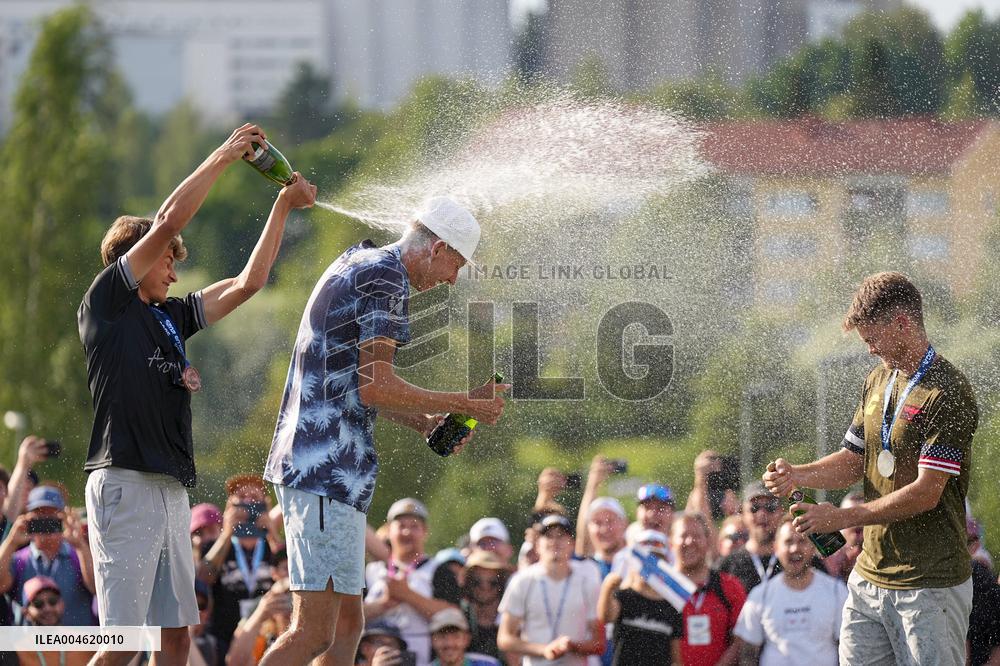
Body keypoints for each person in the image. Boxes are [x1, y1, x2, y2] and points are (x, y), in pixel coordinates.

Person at [77, 123, 316, 665]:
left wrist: (282, 205)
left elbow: (245, 285)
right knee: (124, 640)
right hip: (125, 483)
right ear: (138, 258)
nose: (173, 267)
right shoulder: (107, 304)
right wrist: (225, 156)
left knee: (176, 637)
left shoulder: (167, 317)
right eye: (167, 259)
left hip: (168, 488)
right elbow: (167, 222)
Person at [260, 196, 507, 666]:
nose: (452, 280)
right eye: (456, 265)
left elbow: (352, 380)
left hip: (325, 470)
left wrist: (423, 420)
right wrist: (462, 402)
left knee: (349, 625)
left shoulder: (360, 258)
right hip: (324, 472)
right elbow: (377, 385)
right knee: (312, 633)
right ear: (437, 248)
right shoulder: (388, 276)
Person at [763, 271, 978, 666]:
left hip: (928, 584)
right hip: (870, 577)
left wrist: (841, 516)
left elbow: (926, 493)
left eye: (872, 340)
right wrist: (799, 474)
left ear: (901, 323)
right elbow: (852, 461)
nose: (870, 351)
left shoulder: (947, 392)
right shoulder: (879, 379)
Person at [732, 521, 848, 665]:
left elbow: (847, 646)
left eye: (802, 541)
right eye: (788, 542)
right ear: (776, 548)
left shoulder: (836, 591)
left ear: (813, 547)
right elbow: (748, 654)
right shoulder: (761, 595)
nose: (794, 548)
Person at [363, 498, 463, 666]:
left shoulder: (439, 570)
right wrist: (384, 604)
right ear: (389, 531)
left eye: (414, 526)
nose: (407, 532)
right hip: (375, 654)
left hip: (424, 656)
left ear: (425, 532)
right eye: (401, 526)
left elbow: (454, 615)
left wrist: (408, 595)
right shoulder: (371, 570)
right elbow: (350, 615)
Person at [497, 514, 605, 665]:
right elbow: (504, 638)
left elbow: (599, 643)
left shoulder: (587, 580)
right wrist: (544, 650)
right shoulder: (522, 581)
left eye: (561, 536)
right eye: (548, 536)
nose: (555, 542)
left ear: (572, 544)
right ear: (537, 545)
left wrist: (572, 646)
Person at [198, 474, 280, 653]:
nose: (248, 503)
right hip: (222, 640)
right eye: (241, 498)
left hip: (267, 638)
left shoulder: (271, 547)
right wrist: (227, 532)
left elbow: (289, 574)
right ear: (230, 504)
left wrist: (272, 532)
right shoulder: (214, 546)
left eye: (255, 498)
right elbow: (202, 580)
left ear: (265, 504)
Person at [0, 486, 95, 626]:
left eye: (52, 516)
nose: (46, 522)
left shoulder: (79, 556)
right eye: (39, 517)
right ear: (28, 519)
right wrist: (11, 542)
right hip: (32, 646)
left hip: (78, 645)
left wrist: (80, 545)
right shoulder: (18, 560)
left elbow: (96, 589)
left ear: (63, 518)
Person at [715, 482, 822, 594]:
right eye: (754, 508)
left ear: (782, 511)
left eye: (770, 507)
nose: (762, 514)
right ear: (743, 514)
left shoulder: (802, 559)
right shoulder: (727, 565)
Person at [671, 512, 746, 666]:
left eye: (697, 536)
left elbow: (741, 639)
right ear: (671, 542)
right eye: (683, 535)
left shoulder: (730, 586)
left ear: (708, 541)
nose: (690, 541)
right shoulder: (661, 588)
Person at [597, 534, 683, 665]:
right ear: (633, 561)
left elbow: (676, 657)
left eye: (655, 560)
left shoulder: (672, 606)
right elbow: (606, 617)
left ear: (665, 565)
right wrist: (607, 588)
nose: (649, 566)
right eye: (643, 559)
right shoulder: (624, 597)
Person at [15, 576, 94, 666]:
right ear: (26, 613)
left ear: (62, 605)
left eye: (52, 601)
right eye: (38, 604)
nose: (47, 608)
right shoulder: (19, 651)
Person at [459, 550, 510, 662]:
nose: (485, 588)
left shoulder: (511, 617)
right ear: (468, 583)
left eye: (492, 582)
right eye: (477, 582)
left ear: (501, 583)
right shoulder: (460, 614)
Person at [429, 607, 501, 666]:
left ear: (466, 639)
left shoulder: (488, 664)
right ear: (432, 640)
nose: (449, 643)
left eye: (456, 637)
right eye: (442, 637)